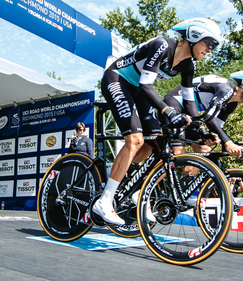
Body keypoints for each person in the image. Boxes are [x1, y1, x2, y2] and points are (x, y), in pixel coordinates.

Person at [92, 18, 222, 225]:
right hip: (118, 79)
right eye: (209, 43)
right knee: (134, 140)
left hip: (139, 90)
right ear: (195, 35)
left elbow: (189, 102)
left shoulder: (189, 65)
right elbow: (146, 85)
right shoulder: (162, 44)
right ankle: (105, 201)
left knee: (155, 145)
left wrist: (199, 129)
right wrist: (168, 110)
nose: (210, 50)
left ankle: (133, 188)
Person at [162, 70, 243, 160]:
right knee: (176, 154)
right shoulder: (226, 89)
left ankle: (183, 184)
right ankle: (150, 182)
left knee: (204, 150)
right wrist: (228, 143)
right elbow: (208, 117)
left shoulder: (232, 104)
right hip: (174, 103)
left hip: (189, 114)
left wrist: (236, 148)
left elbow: (218, 129)